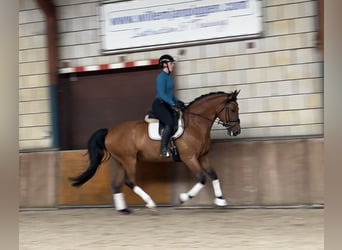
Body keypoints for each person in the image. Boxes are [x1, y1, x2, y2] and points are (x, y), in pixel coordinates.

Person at [152, 54, 185, 157]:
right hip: (159, 104)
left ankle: (174, 147)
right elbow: (162, 94)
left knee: (178, 119)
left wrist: (179, 101)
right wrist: (173, 103)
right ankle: (163, 149)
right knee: (170, 123)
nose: (173, 65)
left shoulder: (169, 77)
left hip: (167, 104)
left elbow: (170, 94)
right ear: (165, 64)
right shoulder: (161, 77)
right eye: (171, 63)